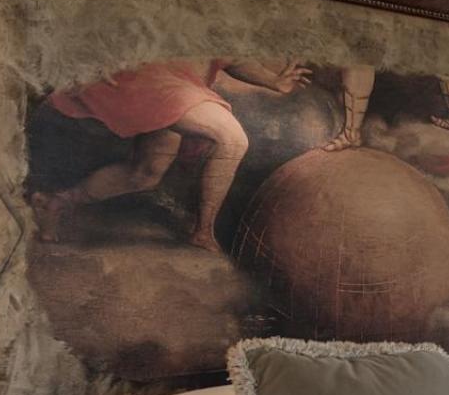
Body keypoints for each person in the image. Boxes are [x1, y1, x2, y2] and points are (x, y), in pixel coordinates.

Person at [29, 57, 308, 252]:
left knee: (145, 174)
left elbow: (231, 56)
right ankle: (203, 232)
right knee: (233, 139)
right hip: (157, 79)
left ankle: (55, 202)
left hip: (179, 85)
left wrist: (273, 80)